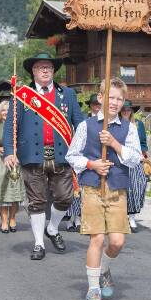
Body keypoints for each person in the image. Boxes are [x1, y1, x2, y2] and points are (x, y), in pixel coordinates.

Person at [66, 78, 142, 300]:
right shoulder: (86, 126)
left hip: (117, 189)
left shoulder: (129, 128)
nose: (115, 102)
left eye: (119, 98)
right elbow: (72, 156)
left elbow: (135, 158)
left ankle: (104, 269)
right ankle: (93, 291)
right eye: (110, 97)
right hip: (92, 188)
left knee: (117, 242)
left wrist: (115, 145)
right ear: (100, 98)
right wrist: (92, 164)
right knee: (97, 238)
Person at [4, 52, 84, 260]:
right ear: (33, 71)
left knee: (65, 198)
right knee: (37, 202)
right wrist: (8, 152)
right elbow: (10, 126)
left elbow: (81, 124)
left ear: (54, 70)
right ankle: (39, 243)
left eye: (49, 66)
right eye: (41, 67)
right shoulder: (21, 95)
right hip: (31, 155)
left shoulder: (67, 94)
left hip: (61, 154)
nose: (45, 70)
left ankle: (53, 228)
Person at [0, 96, 25, 233]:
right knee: (1, 194)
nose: (6, 113)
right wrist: (2, 149)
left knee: (14, 193)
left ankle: (12, 218)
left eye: (9, 110)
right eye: (3, 110)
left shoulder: (18, 126)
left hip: (15, 161)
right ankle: (3, 221)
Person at [66, 94, 101, 232]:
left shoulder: (103, 122)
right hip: (78, 158)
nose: (98, 107)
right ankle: (70, 219)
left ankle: (80, 219)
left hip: (91, 159)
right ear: (91, 106)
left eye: (99, 105)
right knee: (74, 191)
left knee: (84, 193)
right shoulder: (84, 121)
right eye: (95, 105)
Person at [120, 100, 149, 232]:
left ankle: (132, 217)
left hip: (136, 160)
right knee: (123, 190)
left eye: (128, 109)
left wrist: (143, 154)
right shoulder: (116, 124)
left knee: (138, 188)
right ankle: (122, 218)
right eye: (124, 109)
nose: (126, 111)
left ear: (132, 110)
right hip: (121, 160)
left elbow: (143, 142)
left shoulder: (138, 124)